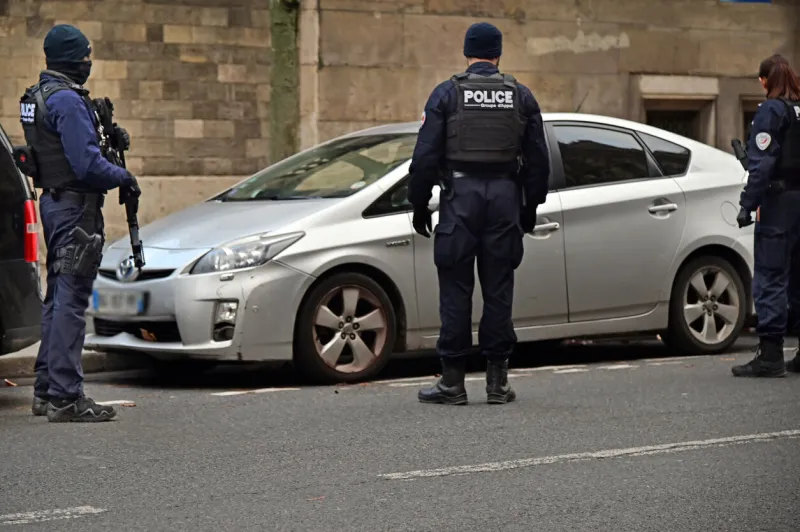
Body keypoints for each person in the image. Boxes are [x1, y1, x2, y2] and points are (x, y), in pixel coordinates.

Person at [407, 22, 551, 405]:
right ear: (498, 55)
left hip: (460, 198)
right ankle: (498, 383)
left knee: (456, 289)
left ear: (467, 53)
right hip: (505, 197)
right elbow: (539, 160)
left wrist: (419, 203)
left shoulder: (447, 95)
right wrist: (530, 206)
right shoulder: (520, 96)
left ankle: (452, 382)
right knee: (499, 287)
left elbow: (423, 159)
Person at [20, 24, 141, 421]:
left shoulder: (37, 96)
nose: (89, 63)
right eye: (86, 56)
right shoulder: (68, 101)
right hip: (75, 209)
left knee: (57, 298)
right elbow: (86, 164)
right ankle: (66, 397)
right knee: (71, 302)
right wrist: (123, 176)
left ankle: (45, 390)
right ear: (72, 57)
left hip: (54, 204)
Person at [732, 54, 800, 378]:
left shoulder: (771, 111)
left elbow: (762, 165)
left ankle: (770, 354)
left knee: (772, 275)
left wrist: (747, 204)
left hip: (779, 203)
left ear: (765, 80)